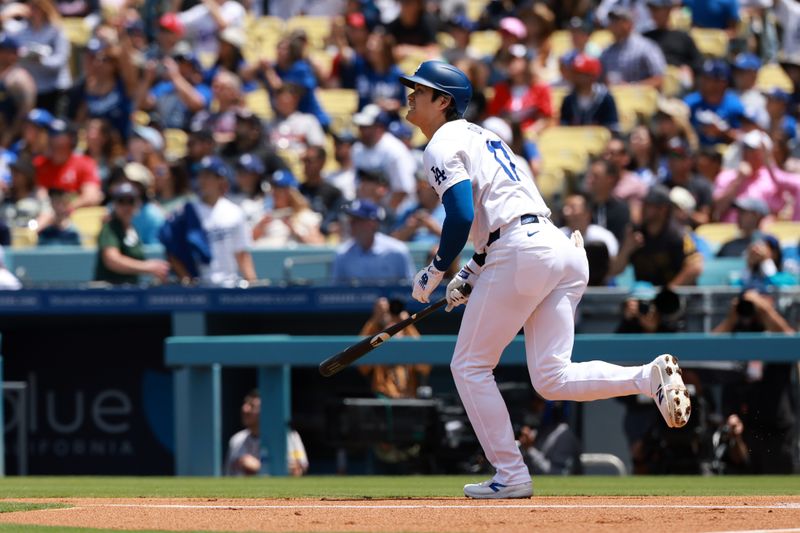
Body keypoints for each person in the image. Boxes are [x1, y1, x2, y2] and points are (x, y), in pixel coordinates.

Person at [401, 60, 690, 499]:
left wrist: (437, 269)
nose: (410, 95)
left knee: (469, 366)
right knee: (552, 377)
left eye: (420, 90)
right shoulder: (488, 137)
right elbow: (499, 220)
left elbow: (461, 215)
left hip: (520, 250)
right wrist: (469, 273)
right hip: (558, 249)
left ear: (443, 101)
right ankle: (647, 378)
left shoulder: (441, 143)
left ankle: (511, 474)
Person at [160, 156, 256, 286]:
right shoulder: (187, 212)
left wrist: (253, 285)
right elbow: (172, 250)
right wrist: (187, 280)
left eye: (208, 176)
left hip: (230, 285)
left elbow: (242, 254)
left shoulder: (234, 212)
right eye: (201, 175)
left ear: (220, 179)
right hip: (201, 288)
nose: (202, 180)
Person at [94, 182, 169, 285]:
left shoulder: (133, 229)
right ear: (114, 204)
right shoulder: (110, 228)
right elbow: (111, 259)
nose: (126, 206)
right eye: (121, 201)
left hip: (131, 292)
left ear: (138, 204)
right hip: (110, 294)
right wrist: (147, 267)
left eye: (130, 201)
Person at [331, 198, 416, 285]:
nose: (351, 224)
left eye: (357, 220)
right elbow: (337, 293)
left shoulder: (397, 251)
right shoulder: (342, 254)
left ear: (372, 223)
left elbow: (410, 290)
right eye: (351, 220)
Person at [225, 389, 309, 477]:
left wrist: (259, 467)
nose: (245, 409)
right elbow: (227, 476)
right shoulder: (236, 439)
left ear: (266, 411)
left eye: (252, 406)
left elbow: (297, 471)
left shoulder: (288, 436)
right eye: (245, 404)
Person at [600, 6, 666, 88]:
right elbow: (600, 79)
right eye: (612, 21)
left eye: (618, 21)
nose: (614, 24)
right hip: (614, 97)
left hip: (641, 97)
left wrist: (631, 87)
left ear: (630, 24)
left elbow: (659, 79)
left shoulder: (646, 47)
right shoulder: (607, 52)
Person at [559, 53, 619, 132]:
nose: (577, 77)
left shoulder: (606, 98)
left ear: (593, 76)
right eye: (575, 73)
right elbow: (564, 128)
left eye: (581, 74)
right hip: (573, 143)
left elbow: (612, 128)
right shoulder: (568, 100)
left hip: (600, 143)